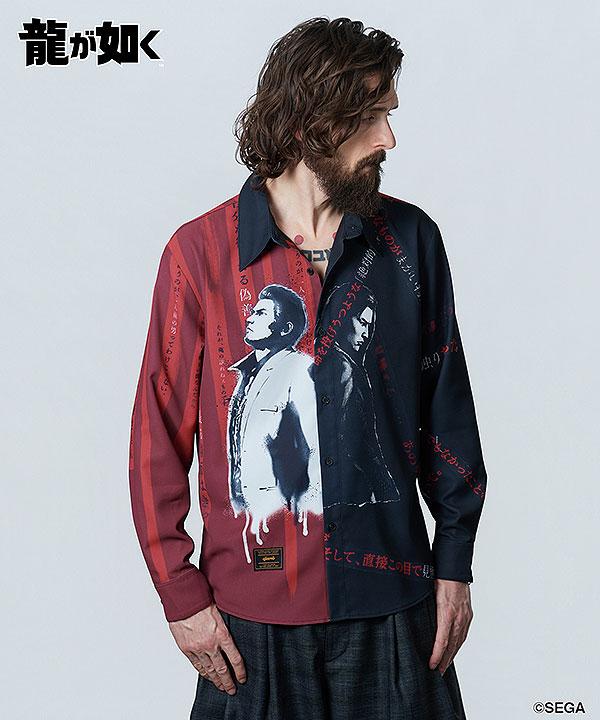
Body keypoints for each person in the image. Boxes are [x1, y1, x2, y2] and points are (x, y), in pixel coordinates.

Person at [128, 16, 488, 720]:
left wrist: (455, 559)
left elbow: (447, 412)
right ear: (309, 125)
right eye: (371, 117)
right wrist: (180, 593)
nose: (389, 139)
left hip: (396, 606)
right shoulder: (198, 255)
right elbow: (157, 440)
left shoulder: (411, 242)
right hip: (251, 621)